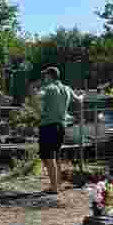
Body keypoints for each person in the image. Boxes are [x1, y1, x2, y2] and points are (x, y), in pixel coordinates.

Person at [38, 66, 83, 194]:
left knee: (48, 157)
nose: (44, 78)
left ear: (49, 76)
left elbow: (38, 96)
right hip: (61, 126)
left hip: (48, 126)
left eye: (45, 76)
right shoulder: (67, 88)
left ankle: (54, 188)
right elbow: (79, 100)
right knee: (56, 156)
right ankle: (57, 184)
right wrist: (82, 96)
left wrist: (33, 92)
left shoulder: (48, 88)